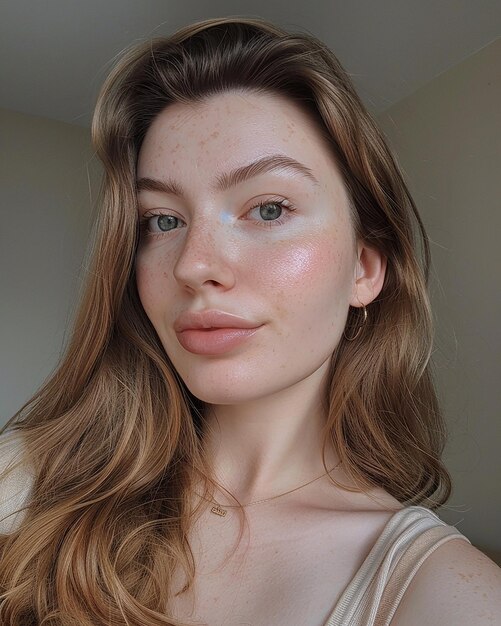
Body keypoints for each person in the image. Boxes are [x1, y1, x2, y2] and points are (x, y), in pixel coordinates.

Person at [0, 16, 500, 626]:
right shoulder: (24, 483)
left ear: (365, 268)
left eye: (268, 208)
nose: (194, 264)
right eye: (162, 220)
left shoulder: (444, 594)